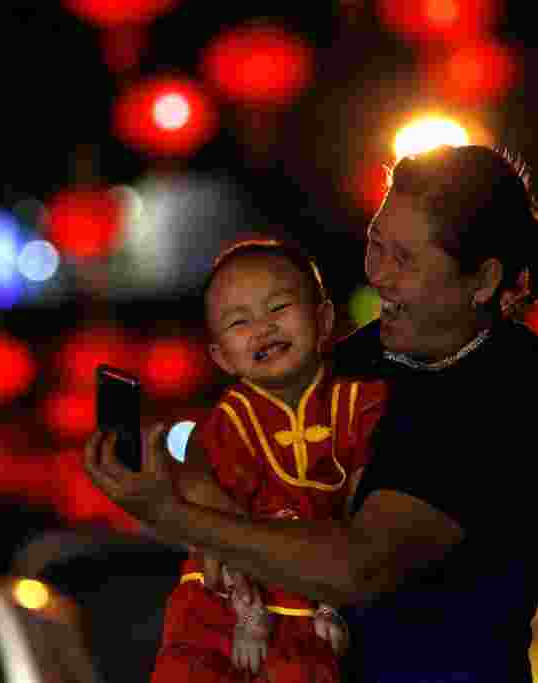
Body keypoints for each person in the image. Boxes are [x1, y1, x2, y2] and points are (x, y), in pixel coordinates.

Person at [85, 144, 538, 681]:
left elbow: (358, 565)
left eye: (403, 259)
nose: (378, 275)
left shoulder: (501, 383)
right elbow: (236, 425)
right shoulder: (363, 356)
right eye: (375, 246)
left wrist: (172, 514)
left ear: (481, 281)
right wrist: (200, 489)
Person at [149, 240, 387, 683]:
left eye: (278, 308)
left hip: (310, 601)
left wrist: (332, 604)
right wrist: (247, 612)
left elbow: (360, 515)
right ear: (220, 356)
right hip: (223, 603)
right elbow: (217, 517)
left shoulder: (361, 403)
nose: (262, 328)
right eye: (239, 322)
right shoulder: (226, 425)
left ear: (324, 320)